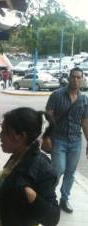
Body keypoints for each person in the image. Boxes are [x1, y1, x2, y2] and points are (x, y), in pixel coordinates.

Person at [0, 107, 60, 226]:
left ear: (21, 136)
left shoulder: (40, 166)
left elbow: (53, 218)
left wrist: (31, 194)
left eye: (4, 131)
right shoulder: (18, 156)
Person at [45, 67, 88, 213]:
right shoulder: (56, 95)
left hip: (76, 141)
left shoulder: (84, 99)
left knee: (70, 172)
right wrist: (46, 137)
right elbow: (48, 118)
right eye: (73, 77)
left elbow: (85, 122)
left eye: (78, 77)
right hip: (59, 139)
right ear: (69, 78)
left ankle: (64, 199)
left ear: (82, 80)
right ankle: (48, 194)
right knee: (58, 169)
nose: (75, 80)